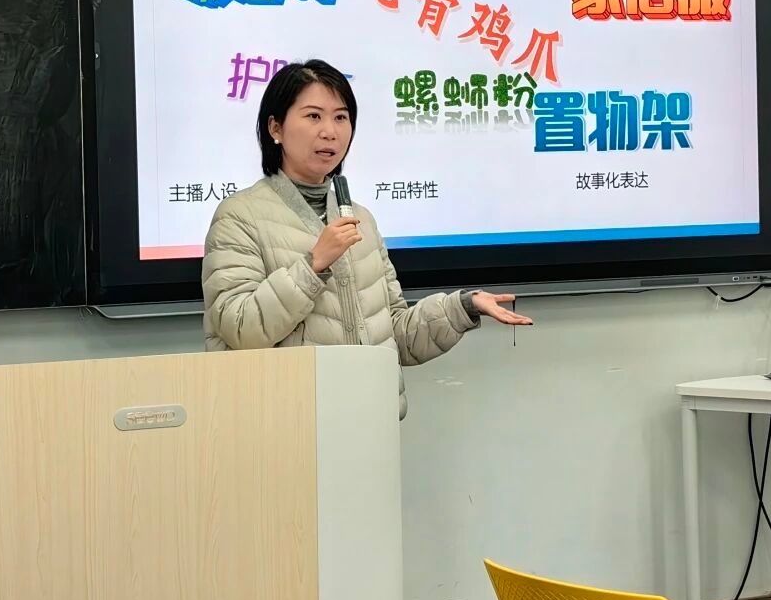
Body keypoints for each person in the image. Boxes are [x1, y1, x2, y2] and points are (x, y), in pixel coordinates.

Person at [202, 60, 531, 414]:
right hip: (288, 423)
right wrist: (312, 266)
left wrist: (462, 306)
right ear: (275, 127)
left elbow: (395, 333)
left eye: (341, 118)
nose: (330, 131)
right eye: (313, 116)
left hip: (369, 421)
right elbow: (239, 328)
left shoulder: (362, 220)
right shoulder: (239, 215)